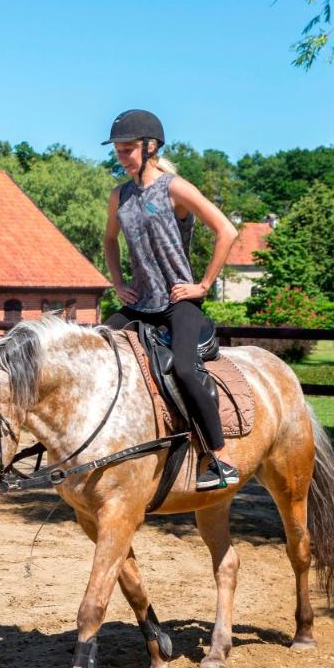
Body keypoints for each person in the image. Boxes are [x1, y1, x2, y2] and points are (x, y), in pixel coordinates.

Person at [100, 109, 240, 491]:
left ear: (150, 147)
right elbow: (109, 240)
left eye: (128, 149)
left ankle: (218, 457)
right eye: (117, 150)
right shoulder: (120, 195)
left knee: (183, 368)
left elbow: (226, 230)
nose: (121, 157)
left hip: (179, 302)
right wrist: (117, 283)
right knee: (96, 346)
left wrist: (203, 285)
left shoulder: (175, 188)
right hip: (139, 302)